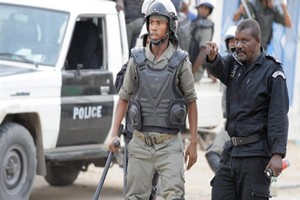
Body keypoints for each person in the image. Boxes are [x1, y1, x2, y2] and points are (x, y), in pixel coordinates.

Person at [109, 0, 198, 199]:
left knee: (173, 196)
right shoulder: (136, 59)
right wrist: (114, 133)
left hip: (169, 144)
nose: (154, 27)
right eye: (151, 23)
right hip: (140, 144)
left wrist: (193, 142)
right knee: (134, 197)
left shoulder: (180, 62)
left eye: (159, 22)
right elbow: (123, 97)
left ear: (170, 27)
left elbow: (191, 101)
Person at [203, 18, 289, 199]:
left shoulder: (272, 71)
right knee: (219, 192)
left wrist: (277, 153)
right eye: (236, 40)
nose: (238, 45)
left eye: (244, 41)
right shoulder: (234, 64)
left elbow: (278, 116)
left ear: (258, 40)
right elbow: (219, 68)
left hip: (256, 155)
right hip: (231, 152)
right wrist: (212, 58)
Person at [204, 25, 236, 173]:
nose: (233, 44)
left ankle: (226, 180)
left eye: (236, 41)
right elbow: (215, 68)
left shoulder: (247, 66)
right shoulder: (227, 63)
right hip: (230, 121)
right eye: (231, 41)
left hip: (240, 123)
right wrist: (213, 58)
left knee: (213, 152)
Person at [189, 0, 216, 83]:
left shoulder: (207, 26)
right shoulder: (194, 23)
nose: (203, 10)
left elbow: (204, 53)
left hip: (194, 72)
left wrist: (190, 75)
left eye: (206, 8)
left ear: (209, 11)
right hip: (187, 67)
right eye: (201, 7)